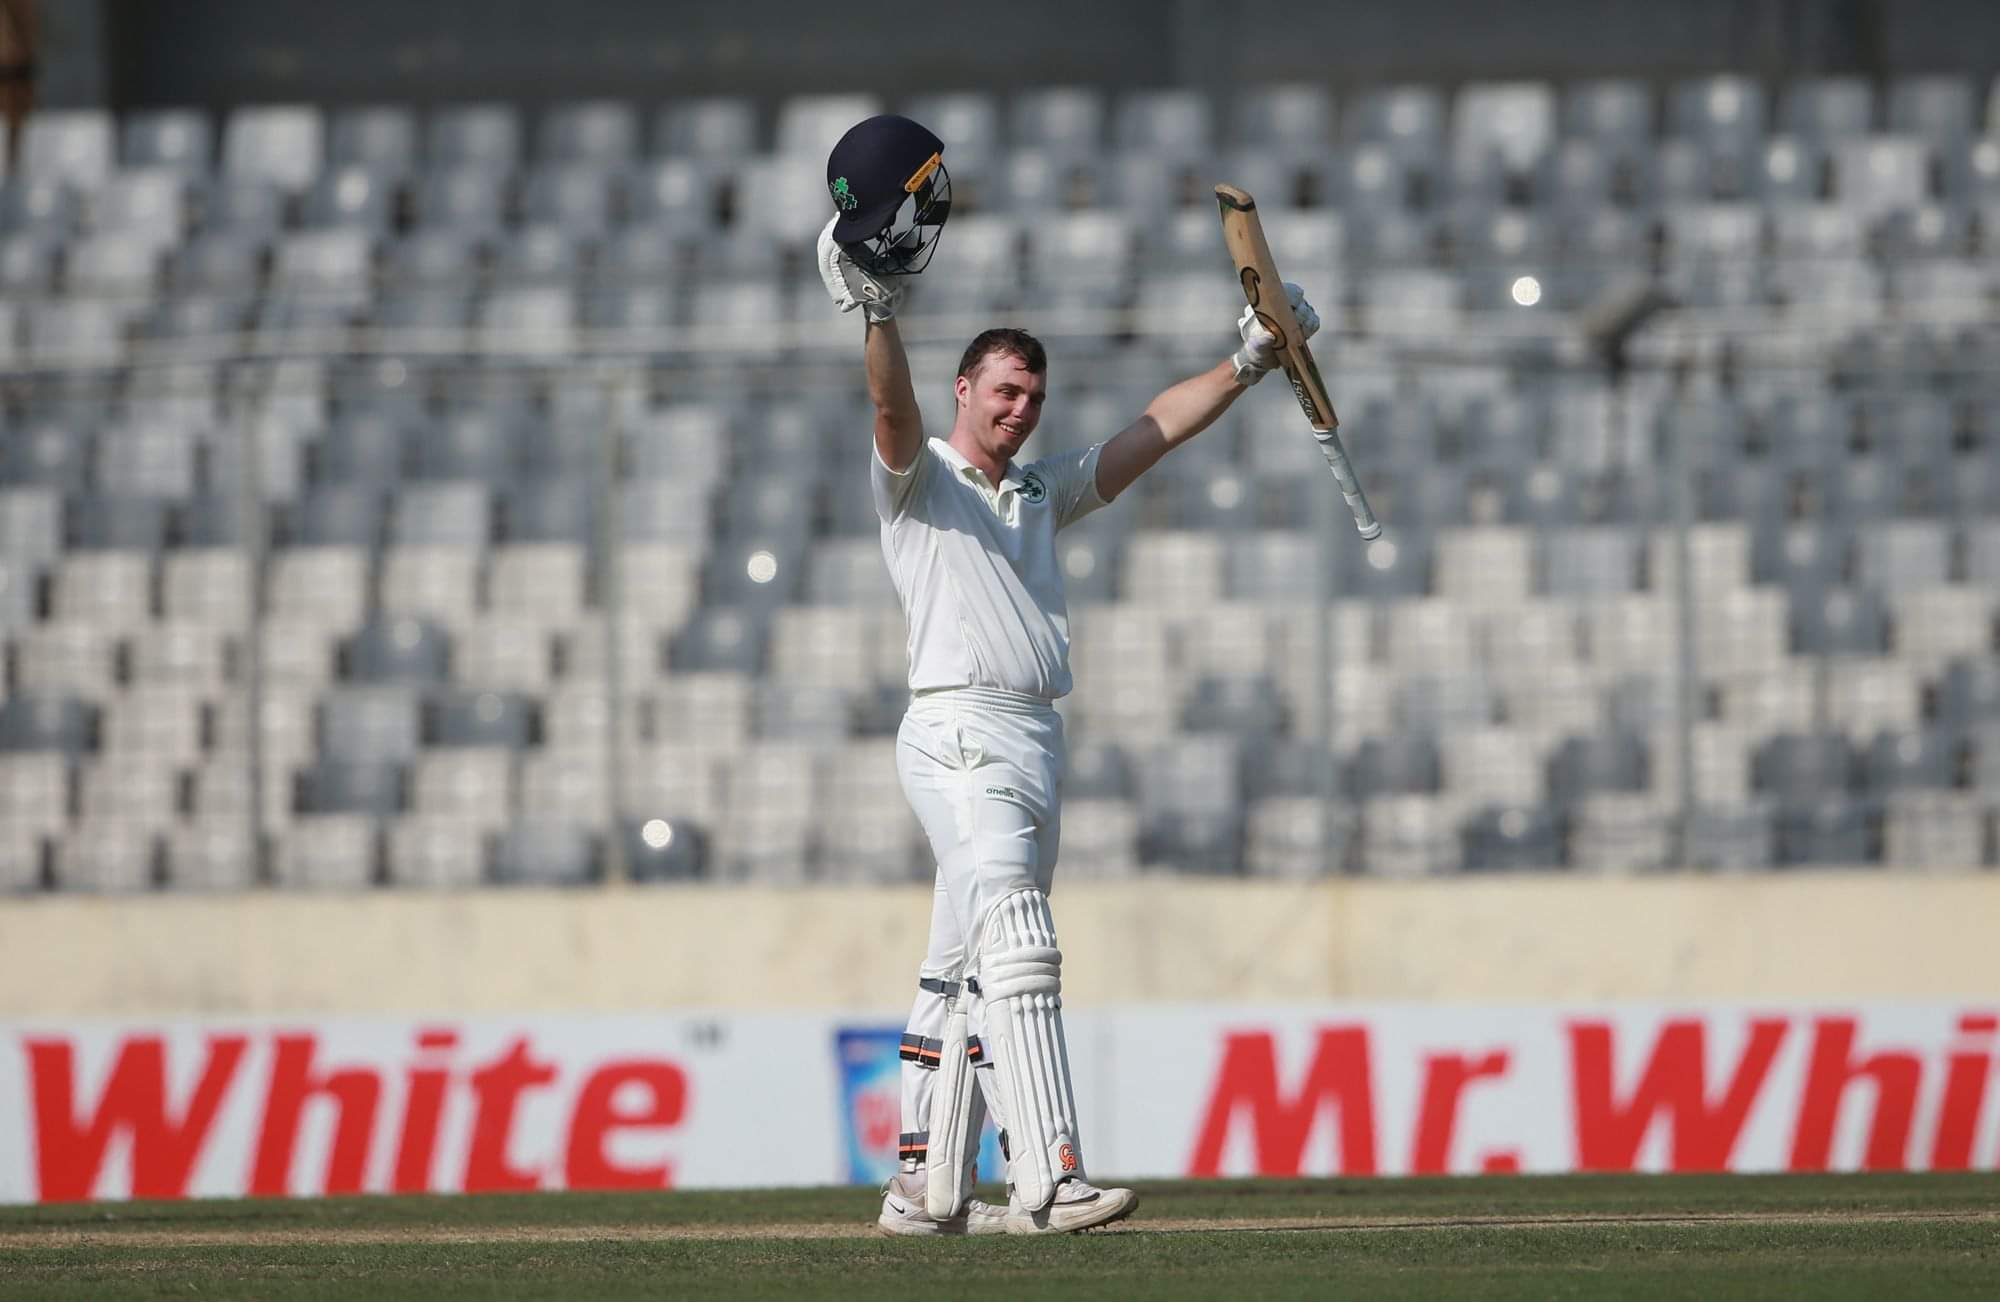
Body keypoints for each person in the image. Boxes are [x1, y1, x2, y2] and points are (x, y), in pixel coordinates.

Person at [815, 118, 1319, 1238]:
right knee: (1022, 937)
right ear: (964, 390)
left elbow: (1151, 434)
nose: (1018, 408)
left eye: (1030, 395)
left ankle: (923, 1188)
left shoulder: (1038, 491)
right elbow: (888, 411)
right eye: (1000, 392)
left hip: (1035, 740)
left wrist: (1249, 355)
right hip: (955, 735)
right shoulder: (918, 481)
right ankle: (1046, 1175)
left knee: (959, 968)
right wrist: (878, 311)